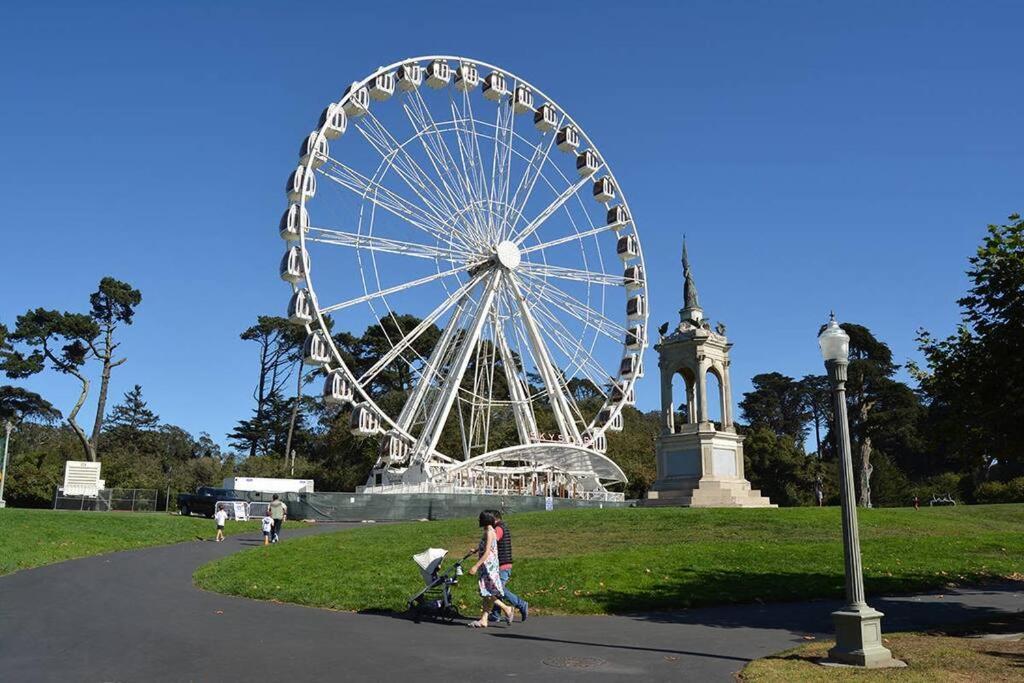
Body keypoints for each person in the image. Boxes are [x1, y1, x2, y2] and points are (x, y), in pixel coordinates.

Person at [467, 510, 514, 628]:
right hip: (487, 565)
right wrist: (476, 550)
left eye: (480, 518)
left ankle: (507, 608)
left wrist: (475, 566)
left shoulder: (490, 532)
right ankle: (484, 619)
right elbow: (486, 546)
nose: (478, 520)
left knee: (487, 592)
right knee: (486, 592)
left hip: (488, 566)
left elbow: (488, 551)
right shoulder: (487, 531)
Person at [486, 509, 528, 623]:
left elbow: (493, 541)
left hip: (502, 565)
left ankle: (521, 604)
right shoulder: (502, 526)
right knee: (496, 590)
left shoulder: (498, 528)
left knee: (498, 589)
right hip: (504, 564)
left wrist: (488, 533)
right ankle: (495, 615)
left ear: (494, 519)